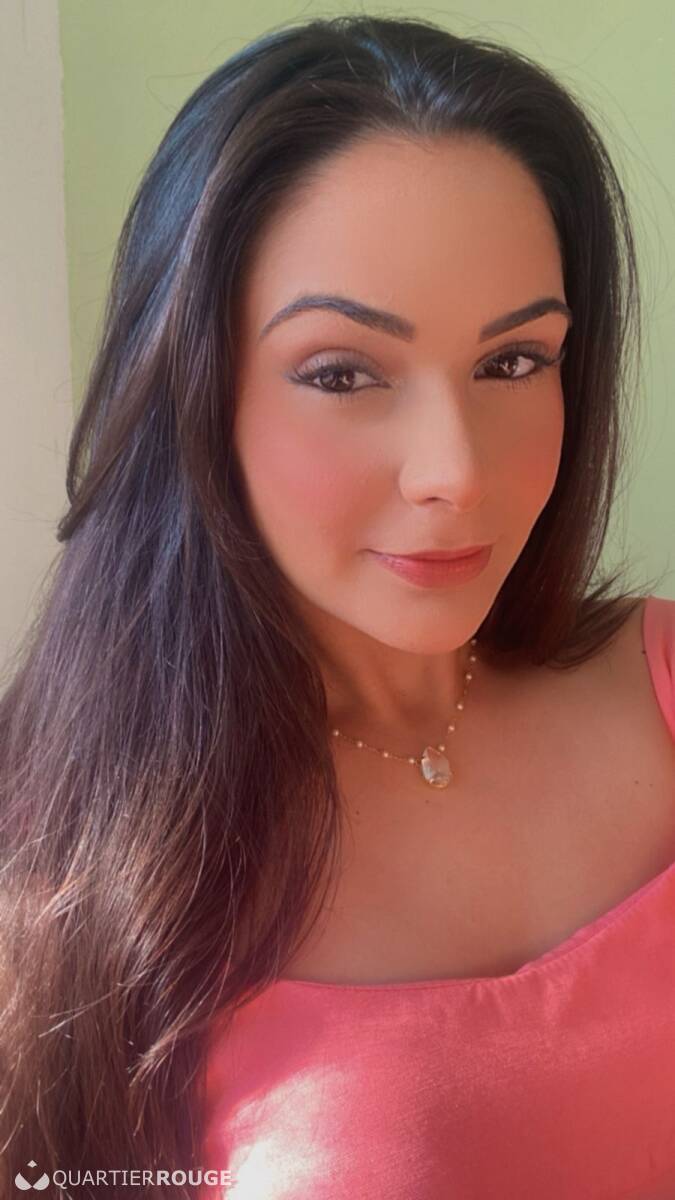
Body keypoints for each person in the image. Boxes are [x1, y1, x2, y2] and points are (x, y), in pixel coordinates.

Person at [1, 13, 673, 1200]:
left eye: (514, 362)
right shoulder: (54, 860)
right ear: (194, 389)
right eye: (342, 373)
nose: (454, 471)